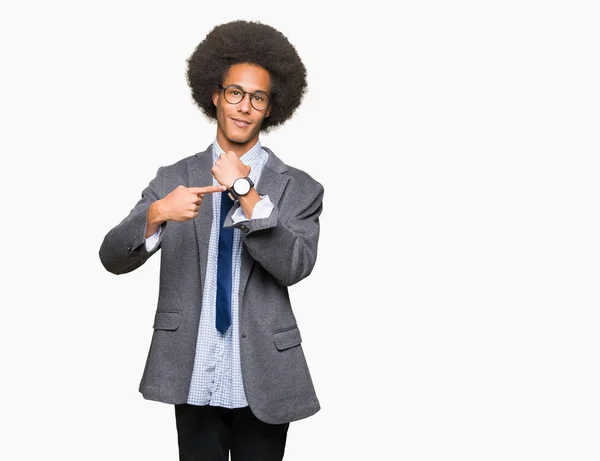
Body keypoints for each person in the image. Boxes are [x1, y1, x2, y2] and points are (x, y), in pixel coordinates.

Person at [98, 20, 324, 461]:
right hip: (192, 366)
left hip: (264, 372)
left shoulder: (300, 187)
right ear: (216, 95)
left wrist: (246, 191)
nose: (244, 107)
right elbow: (111, 257)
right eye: (235, 93)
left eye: (257, 97)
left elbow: (295, 266)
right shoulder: (173, 178)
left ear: (270, 108)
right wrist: (158, 213)